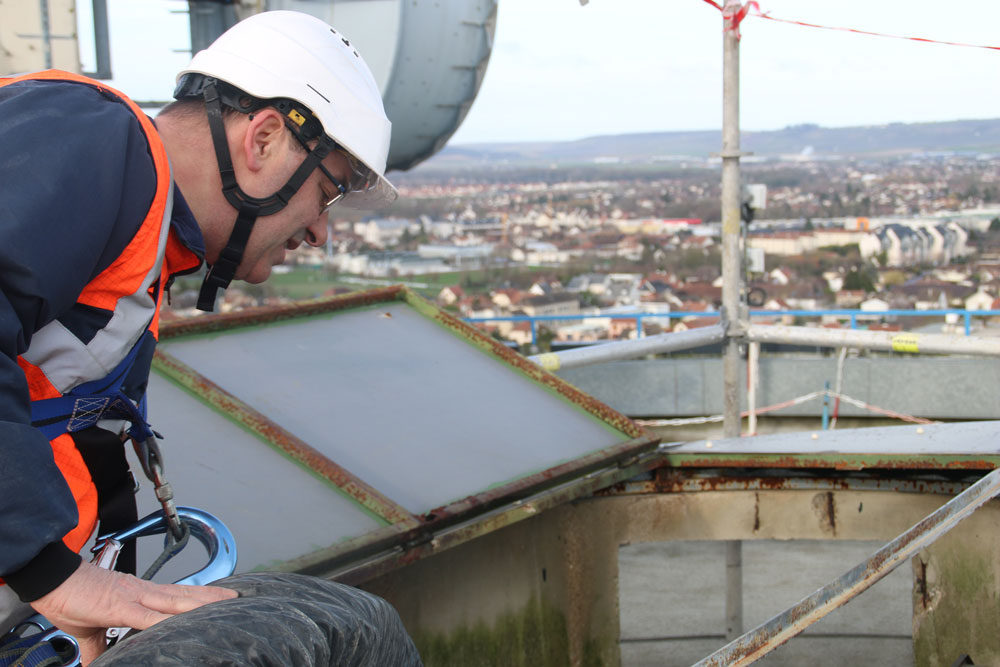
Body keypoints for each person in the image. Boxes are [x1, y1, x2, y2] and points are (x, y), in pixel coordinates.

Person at [0, 10, 419, 666]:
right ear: (265, 139)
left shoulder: (143, 225)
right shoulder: (94, 146)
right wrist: (48, 571)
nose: (319, 232)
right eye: (327, 191)